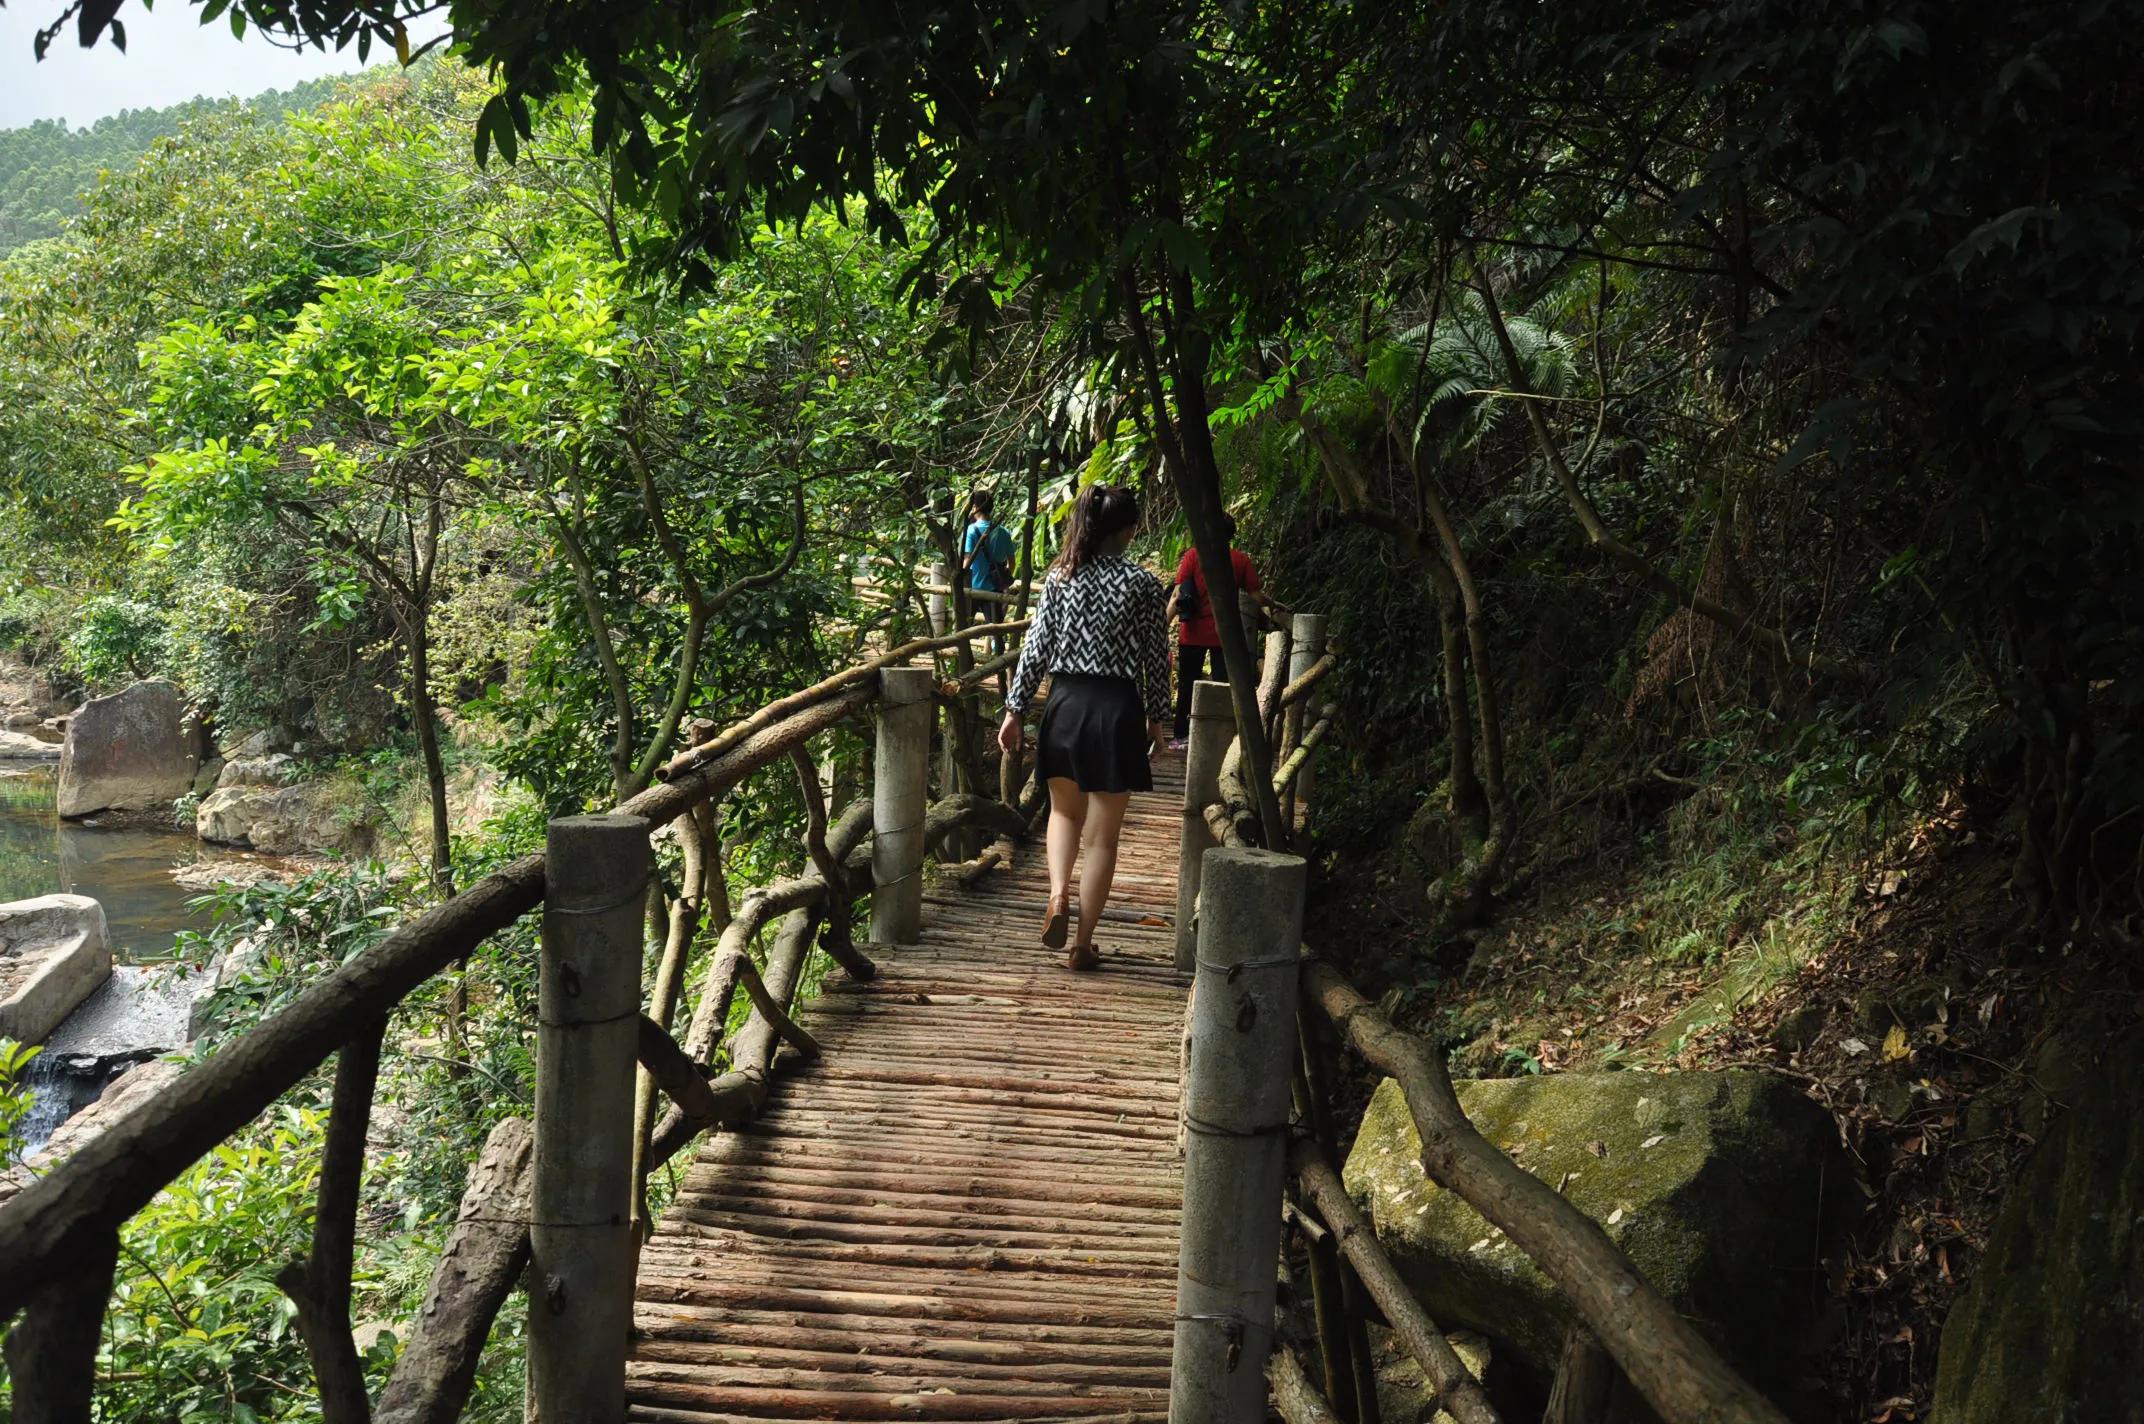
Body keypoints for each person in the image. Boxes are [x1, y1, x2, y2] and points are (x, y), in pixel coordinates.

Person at [998, 484, 1169, 971]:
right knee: (1102, 838)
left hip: (1065, 704)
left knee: (1063, 814)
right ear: (1129, 530)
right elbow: (1156, 659)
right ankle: (1083, 944)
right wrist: (1158, 720)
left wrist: (1013, 711)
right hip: (1116, 709)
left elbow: (1035, 649)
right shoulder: (1142, 584)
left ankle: (1056, 896)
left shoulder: (1061, 577)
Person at [1170, 514, 1265, 745]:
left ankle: (1181, 735)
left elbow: (1177, 594)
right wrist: (1272, 605)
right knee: (1222, 684)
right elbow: (1256, 597)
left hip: (1192, 633)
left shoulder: (1193, 556)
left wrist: (1162, 627)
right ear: (1231, 535)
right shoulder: (1240, 560)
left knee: (1187, 684)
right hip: (1225, 634)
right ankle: (1219, 736)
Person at [961, 489, 1016, 597]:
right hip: (996, 589)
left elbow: (967, 561)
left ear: (976, 508)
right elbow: (1012, 563)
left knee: (968, 614)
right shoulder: (1004, 532)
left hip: (974, 588)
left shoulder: (971, 531)